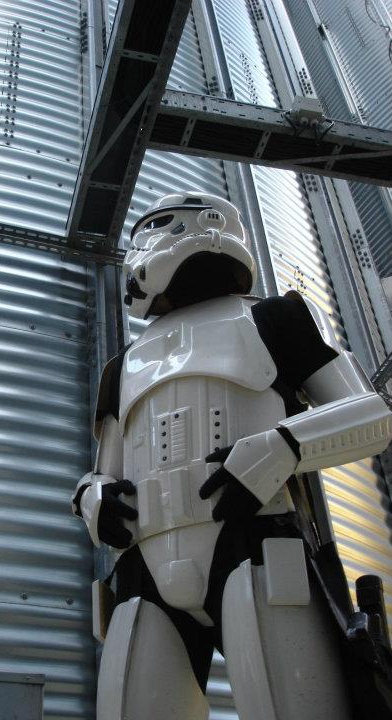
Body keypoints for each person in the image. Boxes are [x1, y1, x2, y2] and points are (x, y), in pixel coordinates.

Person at [71, 192, 392, 720]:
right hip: (144, 567)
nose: (141, 250)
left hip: (257, 543)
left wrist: (282, 447)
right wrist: (93, 498)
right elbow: (103, 473)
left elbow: (370, 416)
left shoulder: (277, 317)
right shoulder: (121, 366)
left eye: (155, 229)